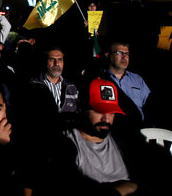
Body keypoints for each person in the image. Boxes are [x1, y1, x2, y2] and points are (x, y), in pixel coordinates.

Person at [29, 77, 172, 195]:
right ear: (82, 109)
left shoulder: (122, 139)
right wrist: (125, 188)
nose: (106, 118)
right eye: (99, 111)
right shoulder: (66, 144)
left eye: (111, 112)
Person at [104, 41, 151, 122]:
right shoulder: (100, 77)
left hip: (139, 127)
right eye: (120, 53)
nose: (124, 57)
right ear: (108, 55)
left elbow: (149, 105)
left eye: (127, 54)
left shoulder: (137, 79)